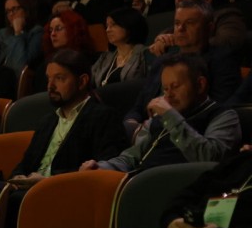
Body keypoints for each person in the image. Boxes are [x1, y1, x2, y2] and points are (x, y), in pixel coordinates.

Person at [82, 53, 240, 173]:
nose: (168, 95)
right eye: (165, 89)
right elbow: (132, 158)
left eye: (175, 87)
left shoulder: (223, 116)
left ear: (200, 85)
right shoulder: (162, 118)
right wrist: (102, 167)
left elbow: (210, 158)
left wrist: (171, 116)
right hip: (139, 183)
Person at [10, 50, 129, 185]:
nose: (50, 86)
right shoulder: (47, 121)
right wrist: (17, 177)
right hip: (29, 189)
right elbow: (25, 164)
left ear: (82, 81)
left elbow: (101, 169)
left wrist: (49, 180)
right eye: (48, 78)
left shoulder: (104, 117)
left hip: (67, 190)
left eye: (59, 78)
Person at [91, 7, 155, 87]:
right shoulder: (105, 57)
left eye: (113, 25)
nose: (107, 30)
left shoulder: (144, 54)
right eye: (107, 26)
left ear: (129, 25)